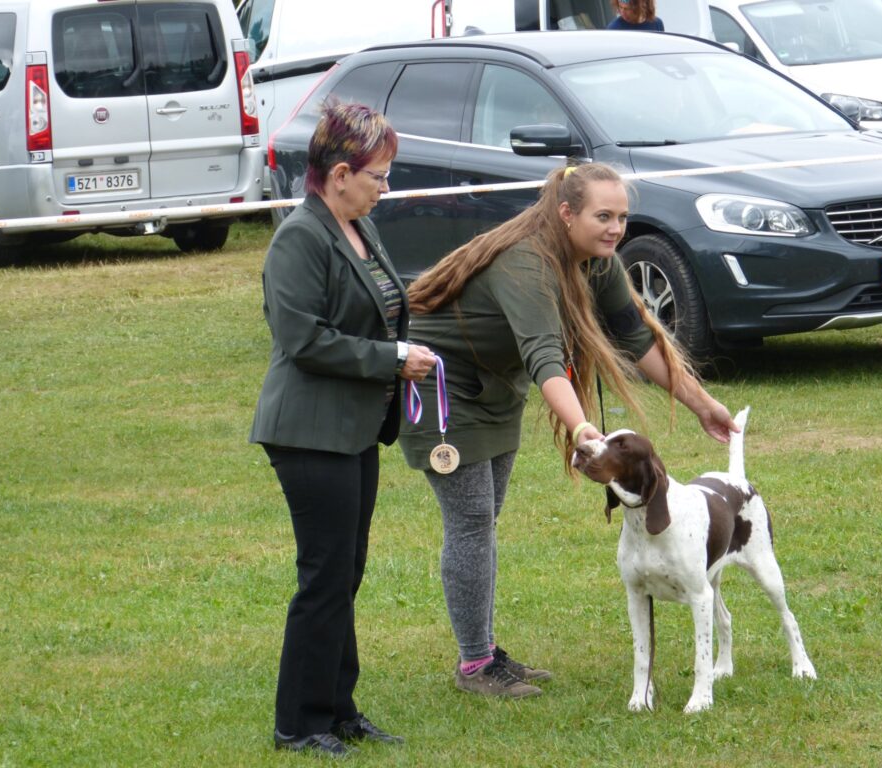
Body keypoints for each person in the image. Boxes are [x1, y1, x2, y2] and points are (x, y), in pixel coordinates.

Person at [399, 162, 738, 699]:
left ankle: (484, 652)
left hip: (494, 390)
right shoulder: (527, 263)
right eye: (603, 216)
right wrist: (581, 425)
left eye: (622, 217)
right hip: (441, 390)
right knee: (471, 522)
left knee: (485, 520)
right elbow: (544, 358)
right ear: (565, 213)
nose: (616, 228)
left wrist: (701, 404)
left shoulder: (595, 261)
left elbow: (635, 335)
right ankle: (476, 665)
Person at [249, 101, 436, 757]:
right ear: (338, 173)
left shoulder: (359, 225)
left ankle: (339, 709)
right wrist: (390, 359)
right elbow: (304, 341)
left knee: (347, 570)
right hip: (307, 430)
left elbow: (385, 307)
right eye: (378, 175)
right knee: (325, 574)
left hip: (356, 427)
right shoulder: (300, 237)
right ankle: (298, 724)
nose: (386, 187)